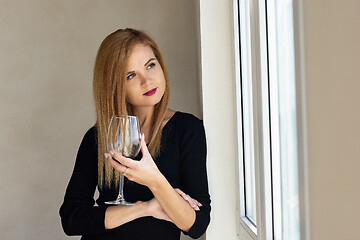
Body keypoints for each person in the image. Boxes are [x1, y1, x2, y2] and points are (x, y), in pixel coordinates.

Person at [59, 28, 211, 240]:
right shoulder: (99, 138)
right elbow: (71, 219)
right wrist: (145, 208)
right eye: (131, 75)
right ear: (115, 86)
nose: (147, 81)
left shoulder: (187, 130)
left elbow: (196, 226)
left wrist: (155, 180)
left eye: (150, 65)